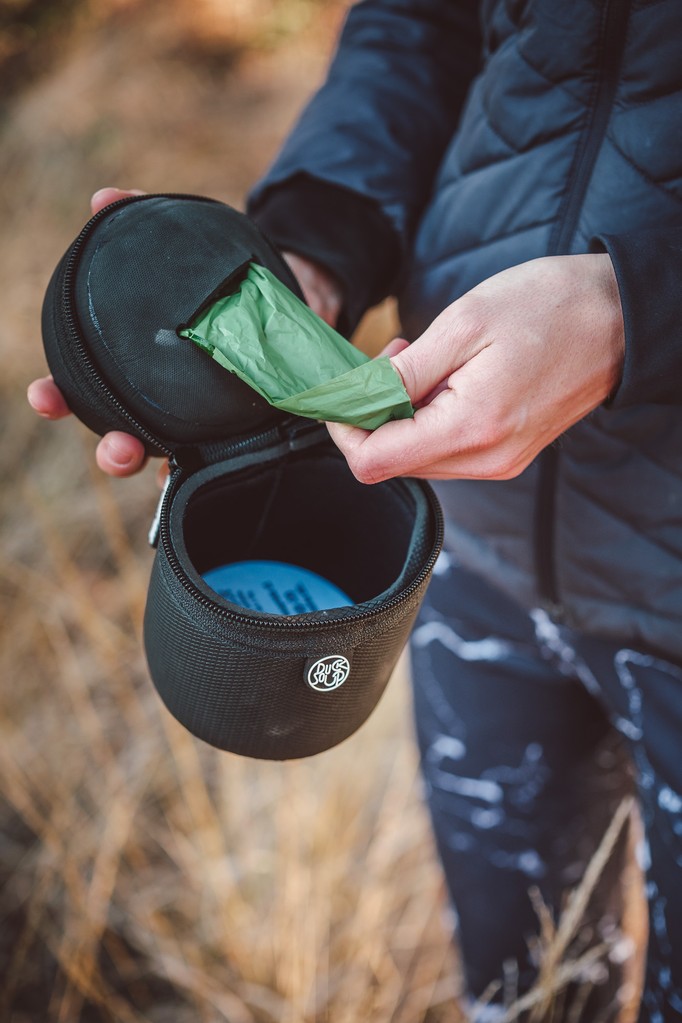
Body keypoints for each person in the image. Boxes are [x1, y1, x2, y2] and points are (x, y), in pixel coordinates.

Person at [28, 2, 682, 1019]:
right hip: (475, 541)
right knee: (523, 995)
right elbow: (423, 23)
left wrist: (636, 307)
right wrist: (311, 253)